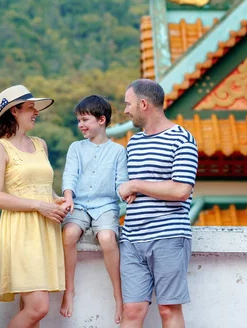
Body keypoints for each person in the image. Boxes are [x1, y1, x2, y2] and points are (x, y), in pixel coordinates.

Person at [117, 79, 199, 328]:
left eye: (128, 104)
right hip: (132, 238)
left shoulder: (182, 139)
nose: (125, 110)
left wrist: (137, 185)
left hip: (169, 236)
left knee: (168, 309)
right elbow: (126, 187)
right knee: (131, 310)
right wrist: (126, 188)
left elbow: (181, 190)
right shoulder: (134, 142)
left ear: (143, 104)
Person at [0, 84, 68, 328]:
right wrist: (38, 206)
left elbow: (43, 188)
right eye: (30, 107)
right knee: (38, 308)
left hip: (45, 229)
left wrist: (57, 200)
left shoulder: (40, 144)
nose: (36, 112)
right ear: (14, 111)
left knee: (30, 309)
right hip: (21, 231)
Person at [59, 95, 128, 324]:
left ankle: (118, 295)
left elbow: (121, 184)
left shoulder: (118, 151)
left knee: (108, 238)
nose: (80, 125)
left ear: (102, 120)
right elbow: (70, 175)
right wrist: (68, 197)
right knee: (68, 234)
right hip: (78, 204)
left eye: (85, 119)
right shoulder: (76, 148)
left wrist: (129, 194)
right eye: (78, 120)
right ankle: (69, 289)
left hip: (106, 206)